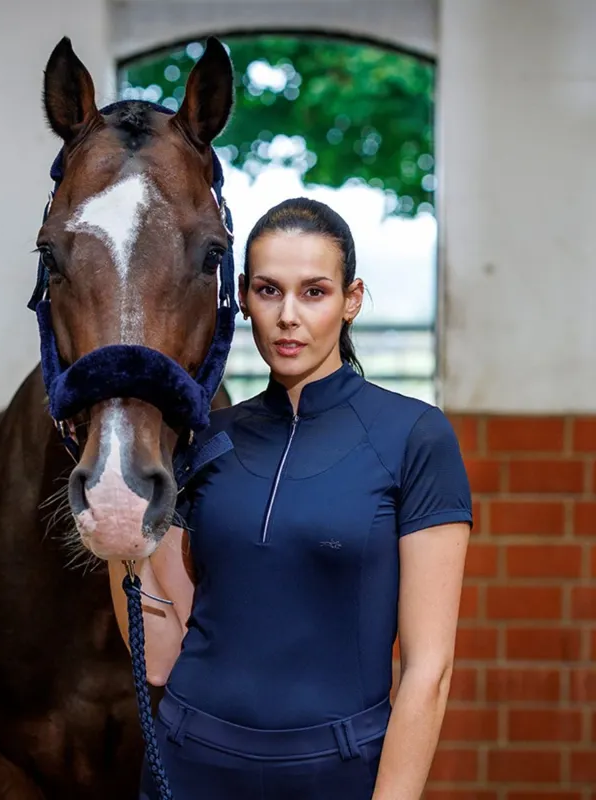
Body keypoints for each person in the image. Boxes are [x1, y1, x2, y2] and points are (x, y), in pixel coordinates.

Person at [108, 197, 472, 799]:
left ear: (351, 299)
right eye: (268, 291)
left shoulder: (414, 436)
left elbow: (428, 672)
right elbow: (161, 656)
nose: (288, 316)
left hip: (336, 773)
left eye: (314, 292)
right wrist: (118, 536)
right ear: (243, 298)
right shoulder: (207, 437)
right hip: (188, 762)